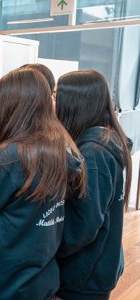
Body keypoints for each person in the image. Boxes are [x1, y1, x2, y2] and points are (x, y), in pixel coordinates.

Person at [0, 68, 85, 299]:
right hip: (38, 276)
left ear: (15, 108)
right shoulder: (61, 149)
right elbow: (23, 204)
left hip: (1, 282)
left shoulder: (12, 157)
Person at [55, 70, 132, 299]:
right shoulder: (105, 140)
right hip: (97, 264)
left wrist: (45, 246)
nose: (53, 101)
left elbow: (83, 226)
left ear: (75, 103)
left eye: (57, 95)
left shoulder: (94, 155)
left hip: (84, 275)